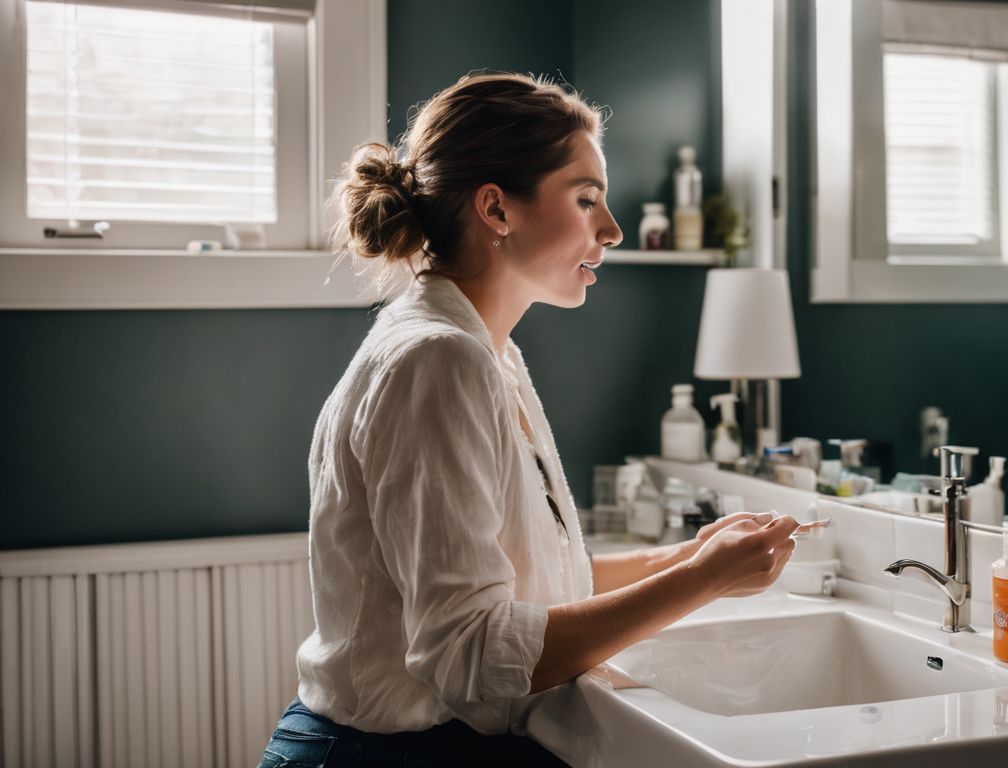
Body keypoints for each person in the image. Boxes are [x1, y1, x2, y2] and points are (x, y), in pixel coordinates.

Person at [256, 71, 799, 768]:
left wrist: (689, 556)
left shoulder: (487, 350)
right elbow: (474, 656)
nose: (612, 228)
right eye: (586, 199)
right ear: (496, 209)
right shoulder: (438, 361)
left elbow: (533, 581)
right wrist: (703, 581)